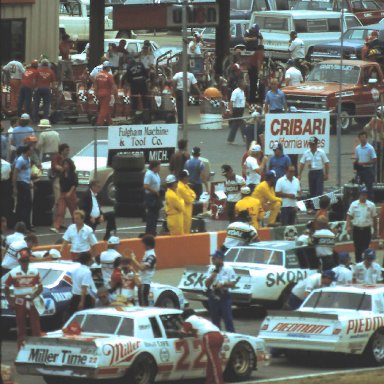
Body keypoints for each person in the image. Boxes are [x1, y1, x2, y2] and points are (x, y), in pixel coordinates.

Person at [4, 249, 42, 350]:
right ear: (19, 261)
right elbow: (6, 288)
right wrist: (10, 301)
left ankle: (37, 348)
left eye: (27, 261)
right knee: (21, 326)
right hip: (19, 301)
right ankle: (21, 349)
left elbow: (41, 287)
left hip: (32, 301)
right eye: (23, 261)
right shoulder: (13, 272)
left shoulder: (35, 271)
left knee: (35, 326)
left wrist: (34, 296)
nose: (25, 263)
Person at [181, 309, 224, 384]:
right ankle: (209, 381)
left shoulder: (188, 320)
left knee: (214, 362)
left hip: (210, 337)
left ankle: (219, 382)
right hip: (219, 335)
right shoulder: (200, 318)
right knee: (211, 361)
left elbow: (182, 333)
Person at [205, 250, 236, 332]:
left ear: (220, 259)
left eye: (214, 258)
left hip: (224, 296)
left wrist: (223, 284)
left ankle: (231, 336)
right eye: (212, 258)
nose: (212, 259)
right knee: (215, 320)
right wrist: (212, 276)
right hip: (213, 296)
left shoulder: (228, 269)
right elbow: (207, 284)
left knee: (228, 319)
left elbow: (233, 283)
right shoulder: (211, 269)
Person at [346, 186, 377, 263]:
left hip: (366, 230)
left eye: (365, 194)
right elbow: (349, 216)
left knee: (366, 248)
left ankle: (365, 263)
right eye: (362, 194)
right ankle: (358, 264)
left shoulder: (371, 205)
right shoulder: (354, 204)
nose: (364, 196)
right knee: (357, 248)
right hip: (357, 230)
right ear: (359, 194)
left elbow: (374, 218)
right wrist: (348, 226)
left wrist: (375, 230)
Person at [51, 158, 78, 233]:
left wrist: (70, 192)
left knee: (74, 211)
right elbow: (60, 184)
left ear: (70, 165)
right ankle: (56, 226)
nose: (65, 166)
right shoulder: (62, 174)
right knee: (60, 210)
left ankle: (76, 225)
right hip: (63, 193)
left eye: (67, 164)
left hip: (71, 193)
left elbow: (75, 184)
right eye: (64, 164)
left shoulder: (73, 174)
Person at [131, 234, 157, 307]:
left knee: (143, 305)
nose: (142, 245)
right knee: (142, 303)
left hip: (144, 283)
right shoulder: (148, 254)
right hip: (142, 283)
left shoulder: (151, 256)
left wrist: (133, 259)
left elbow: (142, 268)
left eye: (143, 243)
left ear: (147, 245)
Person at [67, 252, 95, 318]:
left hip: (74, 297)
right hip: (84, 298)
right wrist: (82, 302)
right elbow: (84, 288)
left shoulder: (74, 270)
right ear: (88, 260)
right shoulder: (87, 272)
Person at [12, 145, 33, 230]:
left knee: (29, 204)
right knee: (23, 205)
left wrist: (30, 181)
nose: (31, 152)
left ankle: (27, 225)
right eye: (30, 150)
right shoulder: (20, 160)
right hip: (21, 183)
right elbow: (15, 173)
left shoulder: (28, 159)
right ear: (26, 151)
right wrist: (14, 187)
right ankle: (21, 225)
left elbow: (28, 172)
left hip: (27, 183)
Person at [243, 24, 264, 103]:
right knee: (252, 81)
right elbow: (245, 39)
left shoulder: (258, 32)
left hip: (255, 51)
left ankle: (253, 97)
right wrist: (252, 39)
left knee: (254, 82)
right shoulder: (248, 31)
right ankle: (251, 98)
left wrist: (260, 45)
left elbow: (261, 39)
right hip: (248, 49)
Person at [354, 131, 377, 200]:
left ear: (366, 138)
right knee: (358, 186)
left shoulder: (370, 148)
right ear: (359, 138)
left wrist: (364, 163)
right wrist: (356, 164)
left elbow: (374, 159)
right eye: (361, 137)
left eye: (363, 137)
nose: (362, 139)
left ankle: (370, 202)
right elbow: (357, 159)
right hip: (360, 170)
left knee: (369, 187)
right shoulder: (357, 148)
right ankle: (360, 201)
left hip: (368, 170)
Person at [94, 61, 117, 126]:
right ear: (107, 68)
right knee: (103, 109)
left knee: (104, 108)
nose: (110, 69)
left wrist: (96, 94)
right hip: (106, 94)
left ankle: (110, 122)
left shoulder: (97, 75)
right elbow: (113, 86)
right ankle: (99, 123)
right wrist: (116, 95)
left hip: (99, 93)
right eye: (109, 67)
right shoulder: (109, 76)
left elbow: (95, 86)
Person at [143, 160, 161, 236]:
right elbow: (146, 186)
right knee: (151, 215)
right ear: (155, 167)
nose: (160, 167)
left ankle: (153, 231)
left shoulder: (156, 174)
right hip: (151, 196)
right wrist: (154, 191)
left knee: (155, 215)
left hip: (156, 196)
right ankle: (149, 232)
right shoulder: (149, 174)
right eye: (159, 166)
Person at [51, 143, 70, 210]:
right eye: (67, 150)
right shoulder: (56, 157)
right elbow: (56, 166)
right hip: (58, 179)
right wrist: (64, 169)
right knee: (58, 199)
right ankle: (56, 216)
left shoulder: (67, 159)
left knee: (64, 200)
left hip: (65, 182)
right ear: (62, 151)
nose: (68, 152)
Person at [227, 80, 246, 145]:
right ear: (240, 84)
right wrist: (231, 110)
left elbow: (243, 100)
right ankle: (245, 138)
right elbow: (231, 101)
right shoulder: (236, 92)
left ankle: (230, 139)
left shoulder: (242, 91)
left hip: (241, 109)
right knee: (242, 124)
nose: (245, 85)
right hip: (237, 110)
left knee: (235, 125)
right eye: (244, 83)